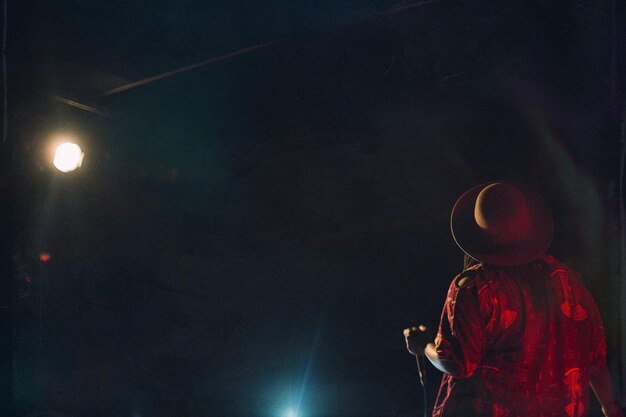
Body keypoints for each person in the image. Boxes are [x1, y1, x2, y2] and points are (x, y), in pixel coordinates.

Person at [404, 182, 624, 417]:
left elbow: (457, 364)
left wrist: (424, 346)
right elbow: (594, 353)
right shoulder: (565, 280)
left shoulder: (474, 289)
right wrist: (608, 405)